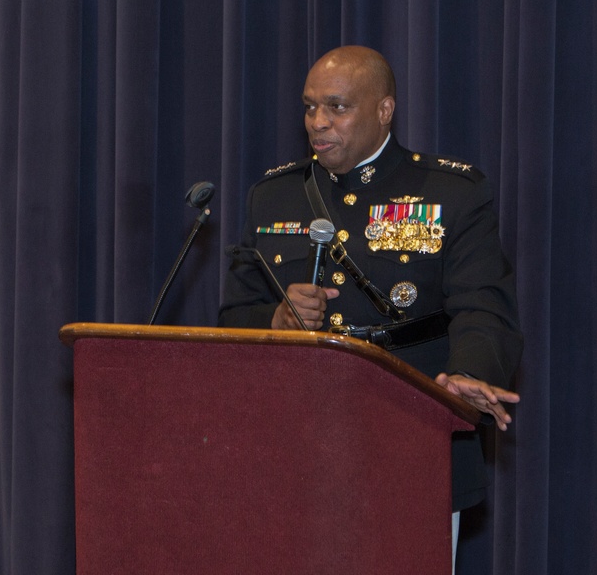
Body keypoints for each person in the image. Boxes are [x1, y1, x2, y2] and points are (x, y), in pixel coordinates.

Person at [219, 44, 522, 528]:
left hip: (412, 434)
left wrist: (469, 372)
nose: (318, 121)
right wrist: (275, 319)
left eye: (336, 107)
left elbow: (484, 307)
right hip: (293, 443)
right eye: (310, 106)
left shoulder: (448, 194)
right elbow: (234, 318)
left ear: (384, 110)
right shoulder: (273, 196)